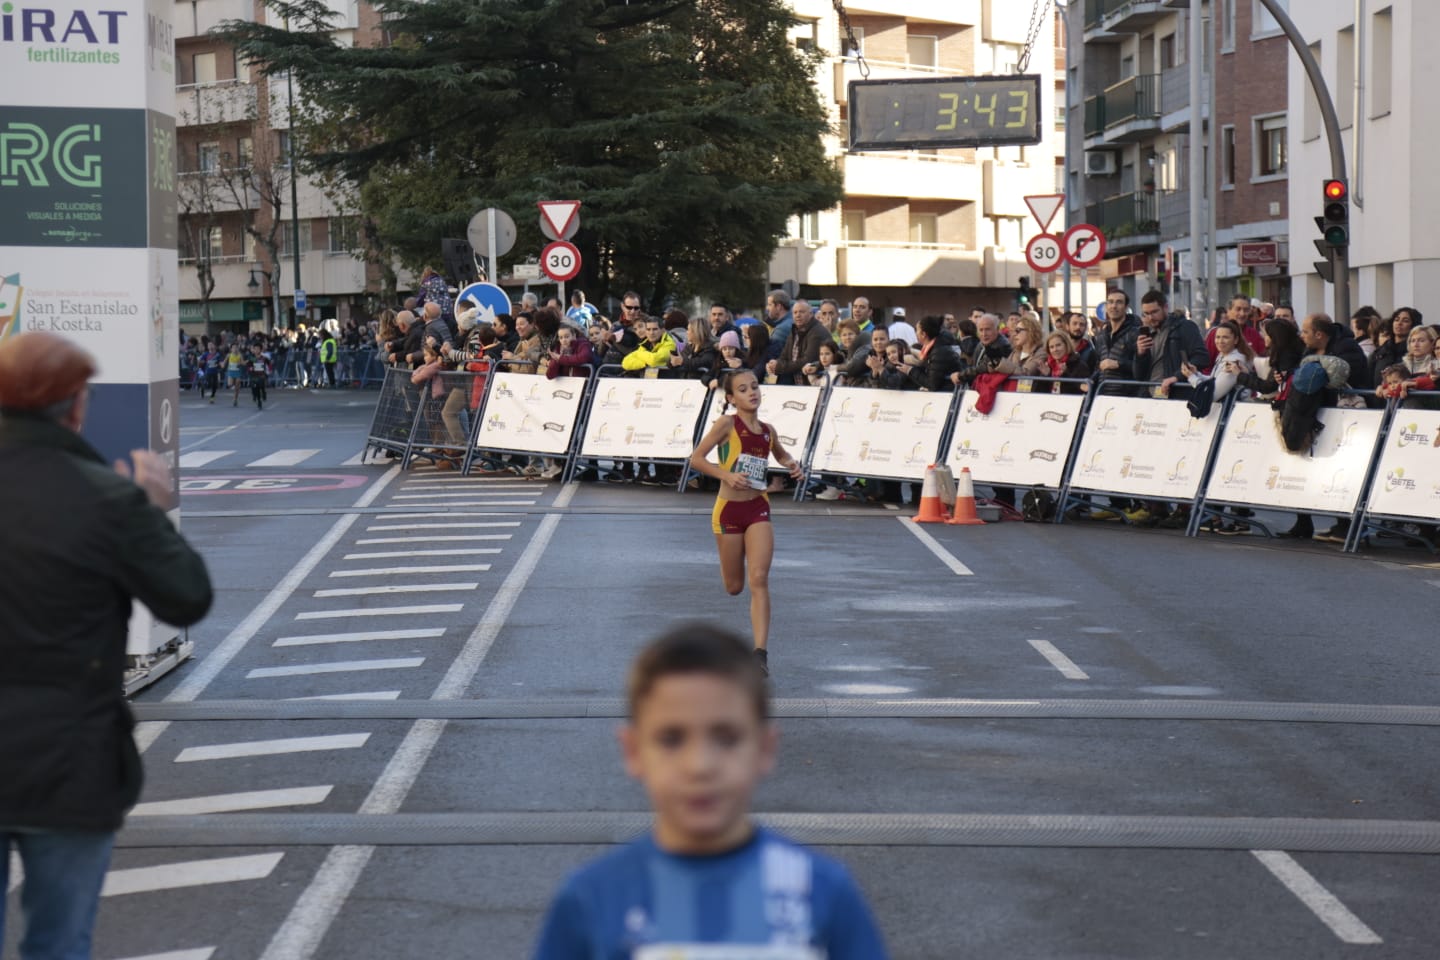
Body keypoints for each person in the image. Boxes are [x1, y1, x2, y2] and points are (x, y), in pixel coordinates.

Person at [0, 332, 213, 960]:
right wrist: (150, 509)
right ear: (73, 406)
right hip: (69, 759)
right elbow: (185, 598)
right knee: (59, 942)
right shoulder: (105, 497)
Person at [532, 624, 888, 959]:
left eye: (726, 738)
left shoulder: (820, 893)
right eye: (671, 739)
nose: (699, 766)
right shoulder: (593, 898)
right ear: (634, 751)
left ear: (765, 749)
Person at [687, 370, 804, 675]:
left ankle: (760, 654)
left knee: (759, 579)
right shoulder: (726, 424)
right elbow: (696, 459)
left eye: (754, 386)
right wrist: (727, 475)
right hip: (727, 512)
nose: (751, 392)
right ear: (731, 399)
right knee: (734, 587)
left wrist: (792, 464)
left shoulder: (768, 430)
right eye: (743, 389)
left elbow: (781, 454)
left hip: (757, 508)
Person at [768, 299, 829, 386]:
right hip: (798, 386)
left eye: (802, 312)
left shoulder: (817, 332)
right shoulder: (794, 330)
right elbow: (784, 356)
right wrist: (774, 364)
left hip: (813, 385)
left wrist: (779, 367)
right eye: (795, 312)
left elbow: (807, 360)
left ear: (811, 314)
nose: (798, 315)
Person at [247, 342, 272, 409]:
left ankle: (263, 393)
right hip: (254, 375)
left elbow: (269, 364)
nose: (256, 350)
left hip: (261, 375)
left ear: (261, 350)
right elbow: (248, 366)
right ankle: (257, 399)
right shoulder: (252, 358)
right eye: (255, 349)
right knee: (255, 387)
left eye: (258, 349)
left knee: (261, 385)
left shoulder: (263, 358)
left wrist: (269, 370)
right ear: (253, 350)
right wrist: (250, 369)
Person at [224, 338, 246, 406]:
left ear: (238, 349)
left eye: (236, 348)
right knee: (230, 384)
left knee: (237, 386)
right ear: (231, 349)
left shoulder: (240, 355)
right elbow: (224, 362)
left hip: (237, 372)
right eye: (233, 348)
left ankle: (235, 399)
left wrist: (242, 363)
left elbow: (243, 363)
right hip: (231, 371)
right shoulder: (229, 355)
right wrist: (222, 364)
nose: (235, 349)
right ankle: (233, 385)